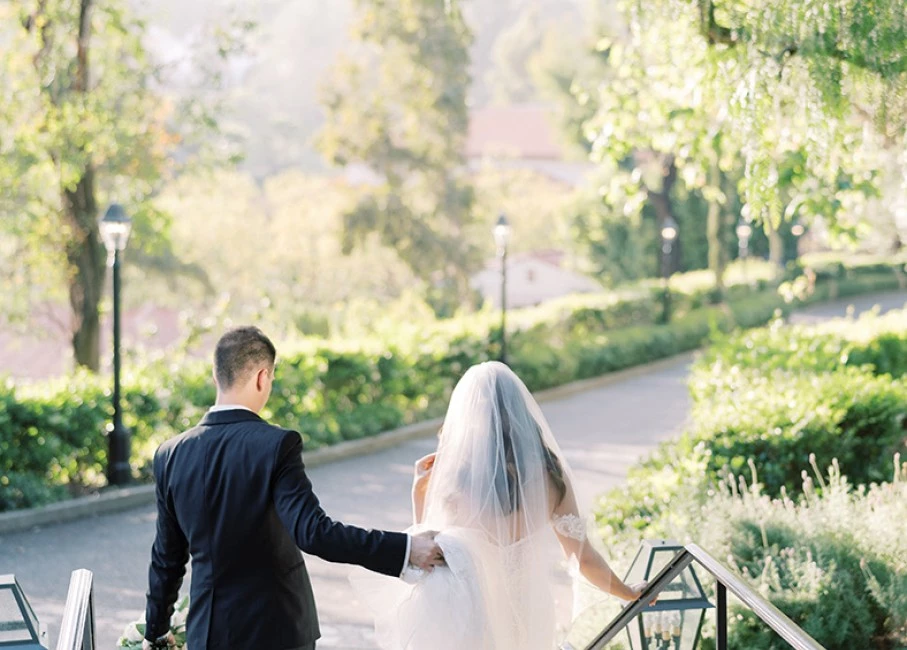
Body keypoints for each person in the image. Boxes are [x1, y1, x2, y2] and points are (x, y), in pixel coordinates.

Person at [142, 326, 444, 650]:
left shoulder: (170, 454)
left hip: (208, 634)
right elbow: (315, 532)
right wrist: (405, 550)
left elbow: (167, 558)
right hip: (277, 631)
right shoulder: (275, 445)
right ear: (262, 377)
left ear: (216, 378)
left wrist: (156, 631)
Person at [353, 361, 646, 650]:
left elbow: (428, 549)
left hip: (468, 609)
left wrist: (418, 492)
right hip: (526, 609)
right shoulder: (549, 474)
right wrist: (627, 592)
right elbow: (583, 558)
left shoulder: (458, 474)